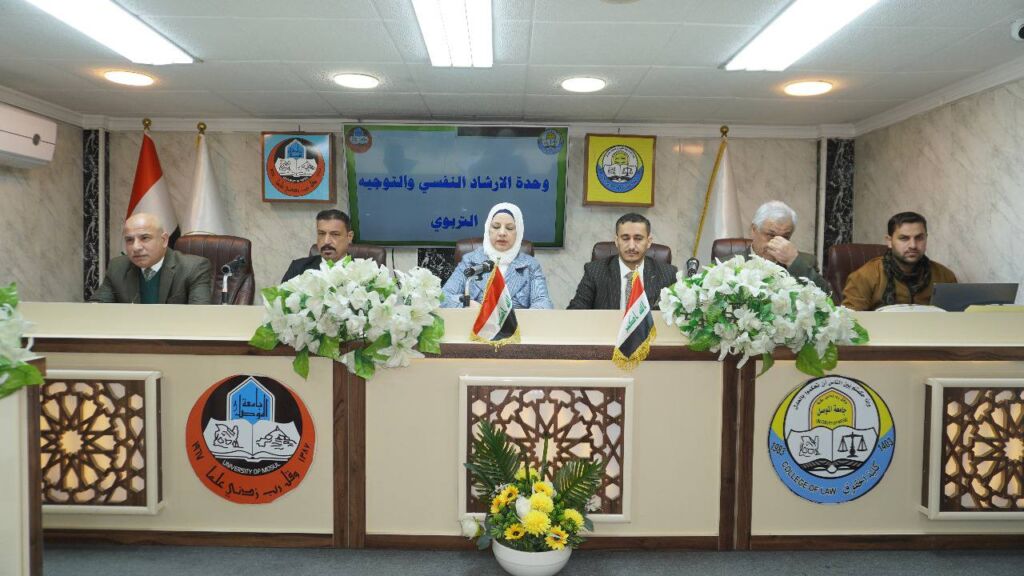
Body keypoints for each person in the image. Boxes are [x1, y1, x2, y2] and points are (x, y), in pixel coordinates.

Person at [441, 203, 553, 309]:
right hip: (476, 321)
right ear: (488, 230)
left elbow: (543, 303)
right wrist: (467, 303)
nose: (502, 233)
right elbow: (443, 297)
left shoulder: (530, 265)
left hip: (517, 323)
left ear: (518, 232)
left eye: (509, 228)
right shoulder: (470, 261)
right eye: (496, 226)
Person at [842, 211, 957, 311]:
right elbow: (851, 321)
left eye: (919, 238)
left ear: (926, 238)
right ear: (889, 241)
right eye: (904, 238)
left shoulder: (945, 277)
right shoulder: (864, 276)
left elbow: (955, 318)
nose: (913, 245)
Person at [91, 213, 212, 304]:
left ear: (164, 240)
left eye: (145, 238)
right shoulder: (117, 267)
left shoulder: (193, 268)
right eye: (129, 240)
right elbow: (97, 309)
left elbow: (199, 316)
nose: (136, 247)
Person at [568, 213, 677, 310]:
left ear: (648, 242)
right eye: (625, 238)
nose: (631, 246)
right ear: (616, 241)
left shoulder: (668, 274)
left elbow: (678, 314)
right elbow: (576, 310)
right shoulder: (595, 271)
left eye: (638, 238)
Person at [746, 200, 829, 293]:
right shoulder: (733, 262)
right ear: (754, 230)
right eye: (770, 235)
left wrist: (793, 261)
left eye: (785, 237)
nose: (777, 242)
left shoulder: (806, 262)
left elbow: (827, 297)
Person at [282, 209, 354, 283]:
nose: (326, 241)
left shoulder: (360, 269)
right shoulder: (298, 268)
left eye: (335, 234)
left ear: (349, 237)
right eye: (321, 234)